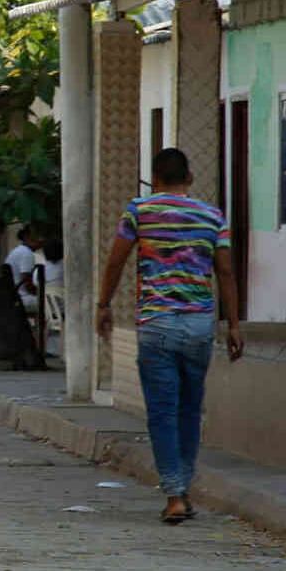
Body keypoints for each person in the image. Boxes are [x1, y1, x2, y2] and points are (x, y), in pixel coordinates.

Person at [97, 148, 243, 524]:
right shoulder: (212, 216)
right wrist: (234, 325)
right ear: (189, 178)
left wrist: (104, 305)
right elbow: (225, 273)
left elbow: (116, 261)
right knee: (190, 410)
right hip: (199, 325)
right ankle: (184, 487)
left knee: (162, 412)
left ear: (155, 178)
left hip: (157, 324)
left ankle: (175, 494)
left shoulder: (139, 211)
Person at [4, 226, 44, 312]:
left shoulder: (17, 251)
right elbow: (28, 285)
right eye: (37, 237)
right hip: (24, 299)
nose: (41, 240)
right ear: (27, 237)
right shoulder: (27, 254)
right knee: (56, 303)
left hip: (14, 297)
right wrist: (42, 293)